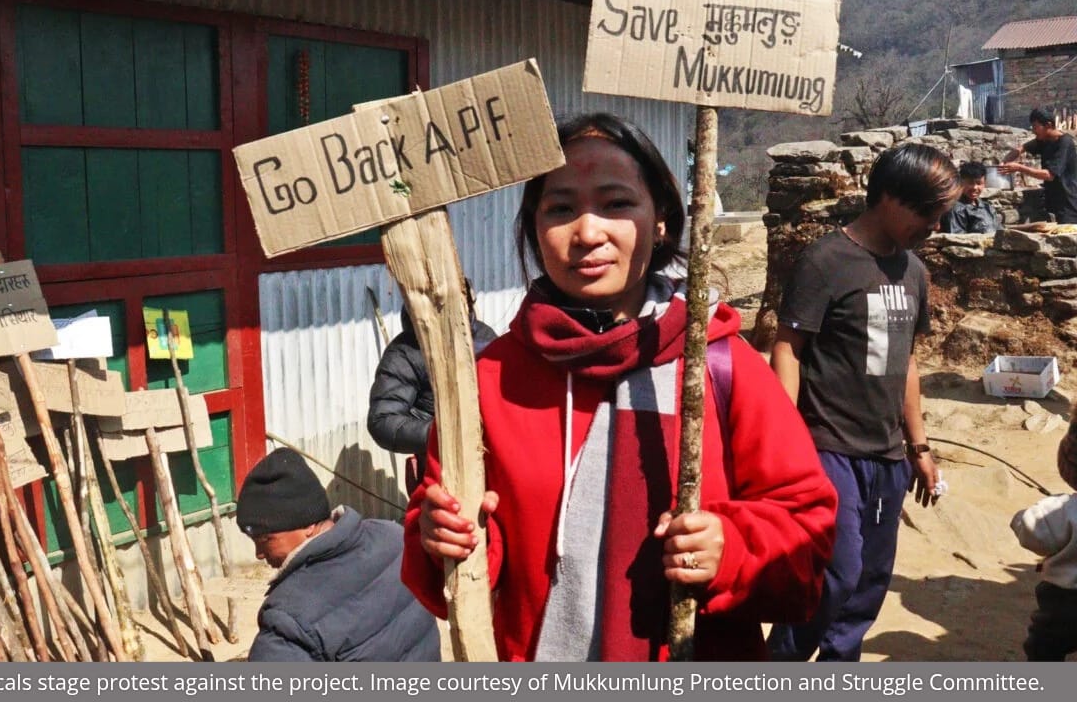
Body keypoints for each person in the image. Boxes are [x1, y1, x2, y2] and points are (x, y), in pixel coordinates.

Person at [401, 112, 838, 661]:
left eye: (616, 203)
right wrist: (446, 539)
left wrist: (731, 547)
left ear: (660, 221)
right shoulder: (489, 381)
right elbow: (452, 571)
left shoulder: (719, 364)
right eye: (560, 208)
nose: (587, 232)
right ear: (535, 228)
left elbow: (809, 536)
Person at [766, 143, 960, 662]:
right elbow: (788, 347)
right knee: (836, 572)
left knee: (869, 584)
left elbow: (907, 362)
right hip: (828, 448)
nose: (934, 227)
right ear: (889, 198)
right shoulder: (827, 260)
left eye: (940, 217)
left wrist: (919, 447)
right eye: (927, 213)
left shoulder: (913, 271)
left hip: (888, 455)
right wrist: (786, 441)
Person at [236, 448, 440, 661]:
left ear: (306, 524)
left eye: (264, 540)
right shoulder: (395, 536)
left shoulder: (288, 618)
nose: (259, 554)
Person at [367, 282, 497, 495]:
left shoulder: (484, 336)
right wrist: (443, 432)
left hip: (491, 464)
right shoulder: (405, 352)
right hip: (441, 472)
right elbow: (382, 421)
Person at [1010, 421, 1077, 661]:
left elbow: (1031, 530)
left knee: (1044, 648)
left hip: (1066, 603)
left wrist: (1018, 519)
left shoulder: (1061, 511)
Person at [1000, 107, 1077, 224]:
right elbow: (1021, 149)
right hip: (1051, 200)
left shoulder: (1064, 143)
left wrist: (1019, 167)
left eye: (1036, 127)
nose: (1033, 131)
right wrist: (1004, 161)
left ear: (1048, 125)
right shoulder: (1043, 140)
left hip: (1068, 203)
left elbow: (1049, 175)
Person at [940, 162, 1000, 234]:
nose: (975, 187)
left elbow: (1000, 232)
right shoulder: (955, 209)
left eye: (979, 183)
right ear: (961, 183)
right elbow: (957, 239)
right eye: (970, 183)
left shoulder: (988, 208)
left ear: (984, 183)